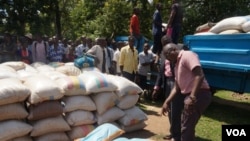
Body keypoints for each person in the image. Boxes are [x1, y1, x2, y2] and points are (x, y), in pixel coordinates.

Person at [161, 43, 212, 141]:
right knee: (187, 124)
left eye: (167, 54)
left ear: (174, 50)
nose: (167, 58)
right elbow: (177, 87)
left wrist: (192, 97)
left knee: (186, 126)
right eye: (165, 56)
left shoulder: (187, 55)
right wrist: (167, 102)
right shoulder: (176, 64)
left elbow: (199, 75)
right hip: (192, 95)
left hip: (199, 94)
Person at [152, 35, 185, 141]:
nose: (165, 42)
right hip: (167, 83)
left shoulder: (180, 48)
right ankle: (173, 133)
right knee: (170, 110)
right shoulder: (163, 53)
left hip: (177, 83)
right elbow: (161, 72)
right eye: (163, 41)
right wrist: (156, 87)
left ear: (171, 40)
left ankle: (177, 136)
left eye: (168, 40)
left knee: (176, 110)